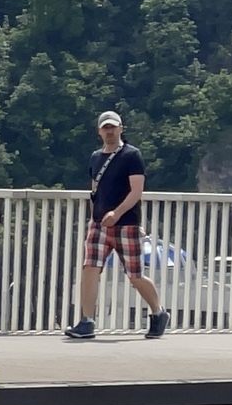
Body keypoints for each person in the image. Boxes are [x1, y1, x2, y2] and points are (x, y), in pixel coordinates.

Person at [66, 110, 167, 340]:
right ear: (99, 131)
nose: (109, 131)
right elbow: (95, 191)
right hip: (100, 224)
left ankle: (158, 313)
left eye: (113, 127)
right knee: (90, 268)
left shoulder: (132, 156)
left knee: (135, 275)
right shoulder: (95, 157)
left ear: (121, 128)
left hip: (126, 224)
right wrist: (96, 218)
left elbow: (137, 191)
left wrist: (118, 212)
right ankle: (86, 321)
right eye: (105, 128)